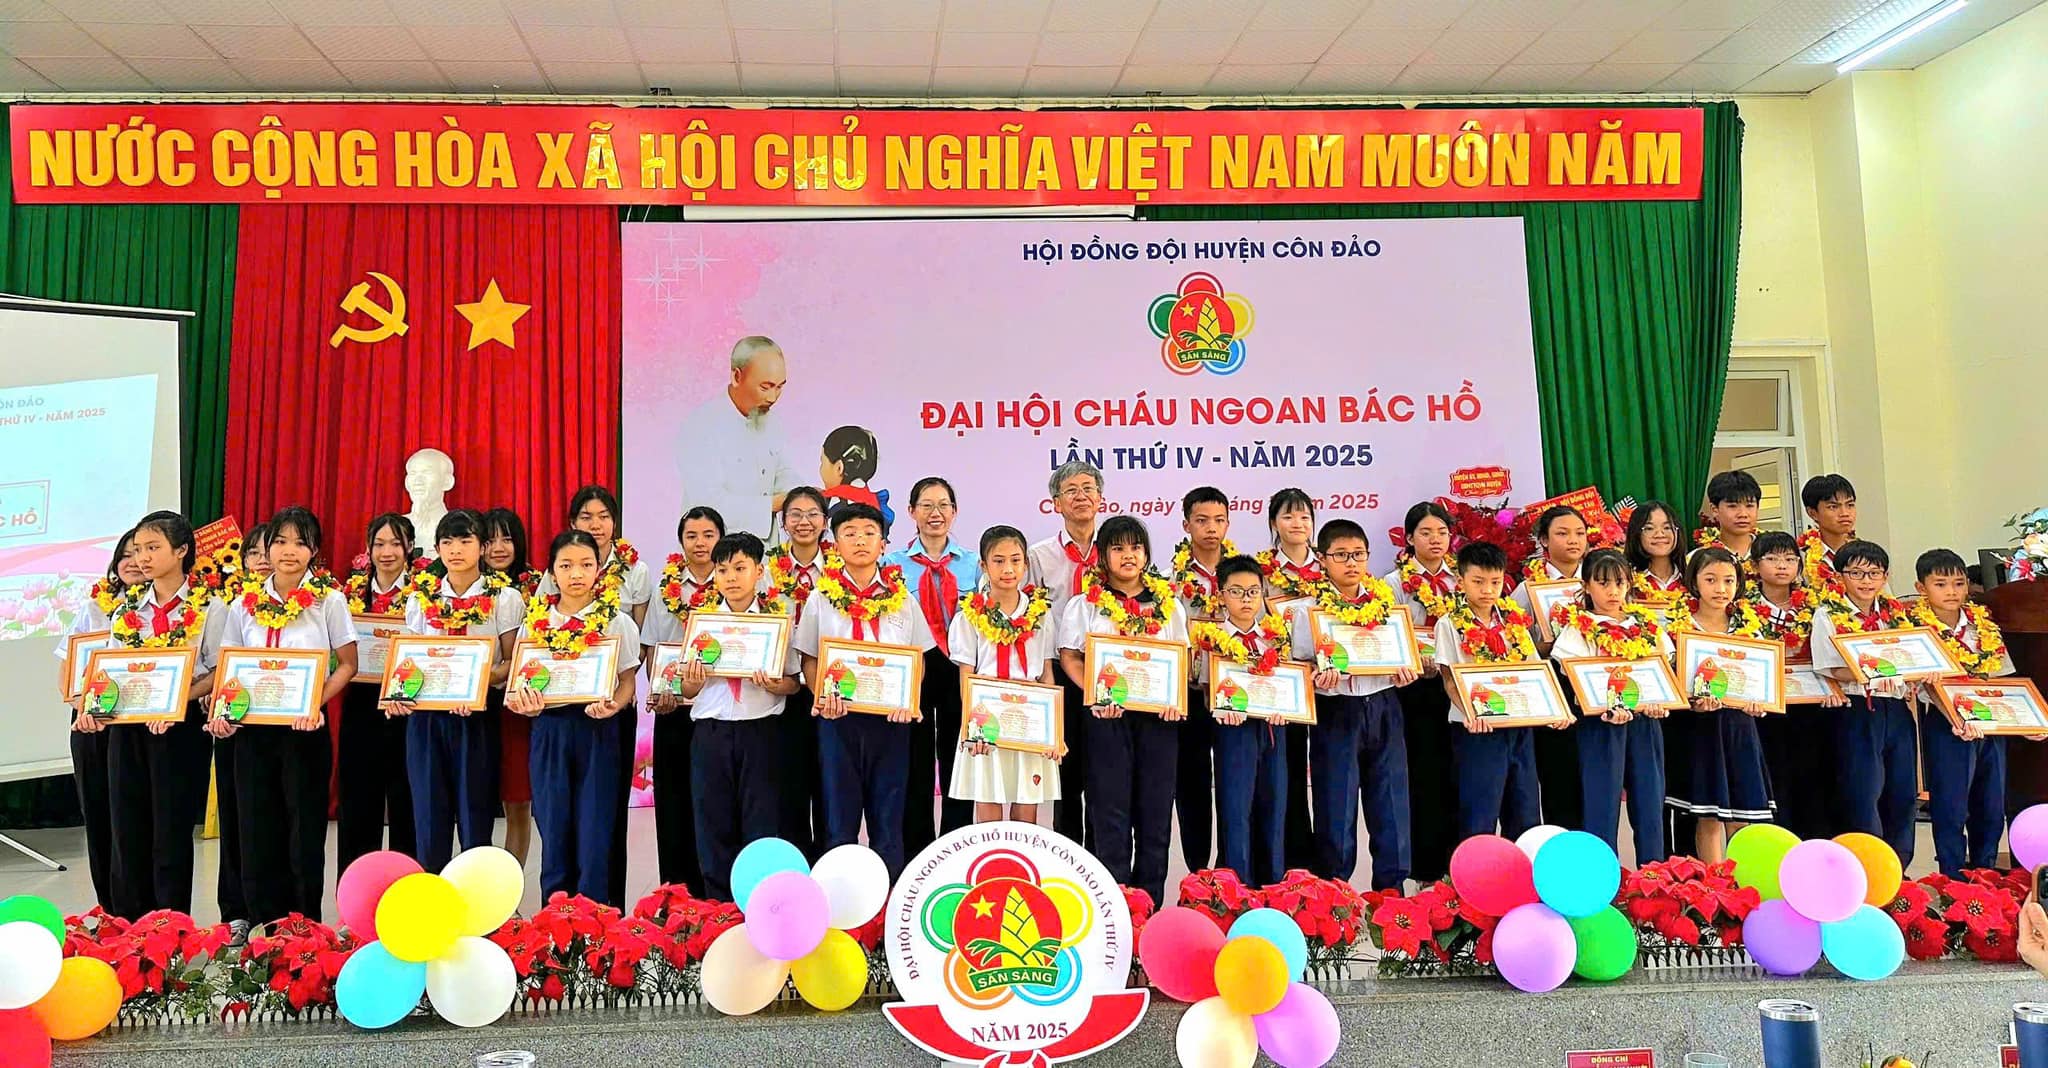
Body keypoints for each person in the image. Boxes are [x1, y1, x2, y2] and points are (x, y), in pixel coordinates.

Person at [208, 506, 357, 925]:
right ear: (267, 548)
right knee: (256, 828)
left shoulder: (329, 600)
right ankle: (264, 925)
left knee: (303, 830)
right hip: (252, 732)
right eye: (280, 541)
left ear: (314, 551)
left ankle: (304, 925)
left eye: (300, 542)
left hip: (303, 730)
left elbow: (347, 664)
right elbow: (230, 666)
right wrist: (224, 712)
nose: (289, 551)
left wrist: (314, 703)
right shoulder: (244, 603)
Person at [795, 502, 933, 879]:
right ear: (835, 544)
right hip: (838, 721)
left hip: (891, 723)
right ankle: (839, 902)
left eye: (869, 533)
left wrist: (908, 699)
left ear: (883, 543)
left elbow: (917, 657)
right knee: (838, 818)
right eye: (850, 533)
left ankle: (888, 904)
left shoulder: (902, 598)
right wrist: (821, 697)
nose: (860, 541)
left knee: (888, 818)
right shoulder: (821, 598)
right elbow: (809, 658)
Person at [102, 511, 229, 921]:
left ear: (181, 550)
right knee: (127, 825)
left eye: (153, 548)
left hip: (180, 728)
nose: (142, 557)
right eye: (138, 549)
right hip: (129, 726)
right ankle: (129, 926)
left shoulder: (210, 607)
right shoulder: (126, 607)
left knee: (170, 830)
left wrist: (178, 703)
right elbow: (113, 669)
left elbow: (218, 669)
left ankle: (170, 927)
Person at [508, 530, 644, 903]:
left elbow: (627, 681)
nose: (576, 574)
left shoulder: (617, 621)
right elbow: (519, 686)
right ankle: (555, 920)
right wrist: (524, 704)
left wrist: (614, 705)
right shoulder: (535, 622)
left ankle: (595, 921)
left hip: (598, 729)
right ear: (552, 572)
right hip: (550, 730)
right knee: (554, 829)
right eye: (566, 565)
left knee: (595, 831)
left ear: (599, 570)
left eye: (586, 564)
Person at [1058, 516, 1188, 907]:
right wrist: (1095, 695)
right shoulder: (1085, 605)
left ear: (1146, 554)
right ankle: (1112, 909)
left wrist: (1174, 699)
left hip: (1159, 721)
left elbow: (1181, 659)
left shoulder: (1169, 605)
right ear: (1103, 555)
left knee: (1155, 815)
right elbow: (1070, 657)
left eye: (1135, 547)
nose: (1128, 556)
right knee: (1108, 812)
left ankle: (1148, 907)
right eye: (1118, 548)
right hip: (1106, 718)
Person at [668, 532, 799, 901]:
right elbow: (687, 690)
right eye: (722, 570)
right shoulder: (702, 624)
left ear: (759, 571)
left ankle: (759, 904)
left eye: (740, 568)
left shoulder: (777, 623)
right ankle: (719, 909)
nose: (731, 578)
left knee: (762, 822)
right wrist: (693, 680)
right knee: (713, 823)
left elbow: (793, 683)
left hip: (762, 733)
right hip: (712, 733)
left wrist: (775, 684)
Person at [392, 509, 521, 873]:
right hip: (426, 719)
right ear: (437, 549)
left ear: (483, 547)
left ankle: (476, 900)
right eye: (447, 542)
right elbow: (410, 660)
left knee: (475, 814)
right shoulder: (421, 598)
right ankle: (434, 896)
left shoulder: (505, 597)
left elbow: (513, 661)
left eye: (466, 540)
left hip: (477, 716)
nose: (456, 549)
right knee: (429, 816)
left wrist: (478, 684)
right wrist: (399, 693)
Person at [1288, 519, 1413, 889]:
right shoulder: (1309, 610)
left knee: (1390, 801)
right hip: (1336, 710)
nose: (1351, 562)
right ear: (1322, 559)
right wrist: (1317, 675)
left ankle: (1391, 892)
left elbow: (1399, 652)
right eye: (1341, 555)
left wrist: (1403, 671)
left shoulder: (1385, 604)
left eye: (1358, 554)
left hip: (1384, 704)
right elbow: (1300, 665)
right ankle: (1334, 894)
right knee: (1335, 803)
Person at [552, 486, 652, 905]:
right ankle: (558, 912)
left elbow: (636, 654)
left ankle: (605, 910)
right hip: (557, 717)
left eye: (604, 515)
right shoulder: (542, 609)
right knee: (557, 822)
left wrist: (616, 696)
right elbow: (534, 663)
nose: (596, 523)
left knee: (602, 819)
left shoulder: (633, 578)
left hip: (608, 710)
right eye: (586, 516)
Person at [1912, 548, 2033, 876]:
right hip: (1947, 724)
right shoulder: (1916, 629)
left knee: (1991, 806)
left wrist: (2026, 723)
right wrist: (1957, 719)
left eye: (1958, 583)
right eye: (1940, 584)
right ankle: (1951, 880)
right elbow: (1926, 685)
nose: (1951, 592)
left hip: (1990, 722)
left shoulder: (1982, 624)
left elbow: (2005, 679)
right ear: (1922, 588)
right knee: (1951, 806)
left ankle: (1986, 876)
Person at [1548, 548, 1672, 862]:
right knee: (1600, 804)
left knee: (1650, 803)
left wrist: (1659, 703)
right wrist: (1604, 706)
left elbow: (1663, 673)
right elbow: (1573, 678)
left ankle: (1654, 877)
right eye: (1603, 583)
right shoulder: (1577, 629)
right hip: (1600, 726)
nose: (1613, 591)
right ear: (1586, 586)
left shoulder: (1645, 625)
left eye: (1620, 583)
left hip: (1644, 723)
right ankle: (1602, 879)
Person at [882, 477, 980, 852]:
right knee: (915, 759)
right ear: (911, 512)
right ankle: (917, 849)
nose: (935, 513)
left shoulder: (973, 563)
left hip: (959, 666)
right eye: (926, 505)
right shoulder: (891, 564)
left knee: (959, 754)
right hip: (913, 667)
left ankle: (956, 843)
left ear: (954, 512)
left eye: (943, 505)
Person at [1810, 540, 1919, 859]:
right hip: (1857, 709)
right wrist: (1867, 673)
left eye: (1874, 573)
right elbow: (1828, 666)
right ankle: (1866, 866)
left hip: (1896, 708)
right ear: (1840, 576)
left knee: (1902, 792)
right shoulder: (1828, 614)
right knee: (1862, 791)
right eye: (1856, 573)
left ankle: (1898, 866)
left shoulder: (1896, 615)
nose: (1866, 580)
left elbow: (1914, 658)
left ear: (1885, 576)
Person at [946, 525, 1059, 827]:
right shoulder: (968, 616)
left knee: (1027, 804)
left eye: (1015, 560)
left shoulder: (1041, 613)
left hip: (1030, 719)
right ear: (983, 565)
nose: (1008, 569)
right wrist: (973, 728)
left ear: (1025, 564)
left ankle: (1020, 858)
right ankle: (991, 857)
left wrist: (1053, 731)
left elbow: (1047, 673)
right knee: (988, 800)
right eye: (998, 561)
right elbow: (967, 676)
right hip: (986, 719)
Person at [1666, 547, 1773, 864]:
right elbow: (1672, 683)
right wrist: (1692, 703)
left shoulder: (1749, 628)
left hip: (1739, 727)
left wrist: (1760, 704)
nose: (1721, 588)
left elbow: (1762, 683)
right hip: (1701, 730)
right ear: (1694, 582)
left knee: (1742, 812)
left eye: (1728, 580)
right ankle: (1714, 883)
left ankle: (1741, 880)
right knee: (1709, 813)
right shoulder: (1678, 629)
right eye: (1710, 580)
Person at [58, 528, 145, 911]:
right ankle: (109, 911)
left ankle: (140, 909)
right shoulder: (95, 606)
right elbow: (68, 666)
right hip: (90, 725)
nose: (133, 562)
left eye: (142, 553)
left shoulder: (169, 608)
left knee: (133, 819)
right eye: (125, 554)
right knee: (98, 816)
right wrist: (81, 703)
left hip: (138, 725)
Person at [1435, 541, 1545, 843]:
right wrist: (1472, 713)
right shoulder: (1449, 624)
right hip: (1477, 729)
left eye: (1495, 582)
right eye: (1478, 581)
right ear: (1461, 581)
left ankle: (1522, 869)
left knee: (1524, 808)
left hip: (1518, 725)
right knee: (1479, 810)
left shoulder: (1514, 621)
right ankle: (1474, 872)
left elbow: (1535, 672)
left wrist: (1551, 711)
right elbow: (1449, 679)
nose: (1487, 590)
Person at [1194, 554, 1293, 885]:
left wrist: (1286, 706)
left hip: (1273, 729)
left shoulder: (1275, 637)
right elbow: (1206, 690)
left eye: (1253, 591)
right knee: (1236, 809)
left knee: (1274, 806)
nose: (1246, 599)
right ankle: (1237, 889)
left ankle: (1272, 886)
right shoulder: (1212, 639)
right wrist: (1221, 707)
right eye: (1236, 591)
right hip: (1232, 731)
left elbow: (1288, 684)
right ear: (1222, 595)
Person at [641, 505, 725, 893]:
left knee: (714, 804)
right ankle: (676, 895)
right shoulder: (665, 590)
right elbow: (652, 646)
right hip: (675, 710)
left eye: (708, 535)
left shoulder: (735, 583)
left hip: (719, 710)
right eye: (691, 536)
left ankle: (715, 896)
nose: (700, 543)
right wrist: (661, 692)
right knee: (674, 803)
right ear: (680, 542)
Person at [336, 513, 419, 877]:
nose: (387, 552)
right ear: (368, 549)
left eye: (395, 544)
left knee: (407, 803)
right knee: (358, 803)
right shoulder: (347, 595)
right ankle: (356, 890)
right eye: (379, 544)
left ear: (410, 547)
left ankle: (409, 889)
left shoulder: (425, 594)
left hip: (409, 708)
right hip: (361, 705)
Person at [1030, 459, 1106, 845]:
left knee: (1105, 769)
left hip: (1109, 672)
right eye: (1071, 491)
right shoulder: (1038, 556)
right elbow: (1028, 617)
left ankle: (1103, 853)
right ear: (1056, 503)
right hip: (1060, 672)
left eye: (1088, 489)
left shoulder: (1118, 550)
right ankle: (1069, 852)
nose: (1081, 497)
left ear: (1101, 498)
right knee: (1067, 770)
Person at [1748, 531, 1843, 841]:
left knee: (1814, 779)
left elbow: (1828, 655)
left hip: (1813, 705)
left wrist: (1832, 688)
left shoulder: (1817, 607)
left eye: (1790, 559)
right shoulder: (1741, 607)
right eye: (1772, 558)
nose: (1782, 565)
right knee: (1774, 780)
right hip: (1765, 709)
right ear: (1755, 565)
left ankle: (1816, 846)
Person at [1387, 500, 1456, 884]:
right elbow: (1386, 636)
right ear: (1410, 538)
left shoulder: (1462, 578)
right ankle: (1424, 870)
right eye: (1426, 533)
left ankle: (1455, 868)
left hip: (1454, 688)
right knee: (1420, 776)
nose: (1435, 540)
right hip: (1412, 691)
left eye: (1442, 532)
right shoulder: (1391, 584)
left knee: (1454, 776)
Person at [766, 487, 835, 857]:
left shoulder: (841, 567)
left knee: (828, 784)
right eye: (795, 514)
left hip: (831, 688)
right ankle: (795, 865)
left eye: (812, 514)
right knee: (788, 783)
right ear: (783, 521)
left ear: (825, 521)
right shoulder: (765, 569)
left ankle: (827, 864)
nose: (803, 522)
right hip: (782, 684)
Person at [674, 336, 798, 537]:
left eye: (779, 387)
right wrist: (774, 504)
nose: (773, 397)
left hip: (766, 548)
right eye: (765, 387)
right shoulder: (701, 425)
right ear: (737, 377)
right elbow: (708, 503)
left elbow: (784, 473)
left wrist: (803, 496)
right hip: (716, 546)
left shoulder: (772, 422)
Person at [1256, 487, 1321, 874]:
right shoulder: (1261, 572)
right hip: (1281, 687)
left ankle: (1322, 866)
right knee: (1287, 773)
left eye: (1304, 516)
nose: (1298, 524)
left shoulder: (1330, 567)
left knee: (1328, 776)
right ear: (1273, 523)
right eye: (1288, 516)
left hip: (1327, 684)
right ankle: (1286, 862)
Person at [1171, 486, 1234, 874]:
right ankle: (1198, 872)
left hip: (1233, 694)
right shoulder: (1170, 579)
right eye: (1201, 520)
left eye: (1219, 520)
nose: (1211, 528)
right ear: (1186, 525)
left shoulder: (1243, 574)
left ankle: (1230, 869)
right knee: (1191, 784)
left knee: (1234, 783)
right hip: (1190, 693)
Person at [1514, 504, 1588, 831]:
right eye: (1562, 533)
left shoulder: (1599, 579)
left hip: (1594, 690)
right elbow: (1515, 645)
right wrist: (1543, 647)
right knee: (1559, 778)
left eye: (1579, 533)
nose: (1573, 540)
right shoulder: (1528, 588)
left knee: (1593, 779)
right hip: (1552, 690)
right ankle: (1562, 848)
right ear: (1544, 539)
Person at [482, 507, 539, 865]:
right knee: (477, 798)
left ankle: (511, 883)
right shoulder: (464, 586)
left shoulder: (539, 587)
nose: (499, 548)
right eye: (490, 540)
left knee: (518, 801)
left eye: (507, 538)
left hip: (517, 709)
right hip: (474, 707)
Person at [1691, 471, 1763, 582]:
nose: (1743, 514)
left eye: (1749, 506)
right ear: (1714, 509)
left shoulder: (1773, 553)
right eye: (1732, 506)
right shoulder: (1697, 559)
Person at [818, 425, 892, 528]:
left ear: (839, 468)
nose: (821, 469)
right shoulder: (875, 502)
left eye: (822, 462)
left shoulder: (835, 503)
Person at [1626, 501, 1689, 617]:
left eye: (1667, 527)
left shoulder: (1692, 577)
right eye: (1649, 528)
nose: (1660, 534)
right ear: (1636, 534)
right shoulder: (1626, 579)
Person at [1798, 474, 1859, 593]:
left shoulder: (1865, 553)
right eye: (1833, 507)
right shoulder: (1800, 558)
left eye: (1850, 505)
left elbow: (1885, 598)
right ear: (1812, 513)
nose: (1845, 513)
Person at [401, 449, 455, 560]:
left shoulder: (459, 527)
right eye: (413, 473)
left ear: (447, 481)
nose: (418, 481)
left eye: (427, 473)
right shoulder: (395, 527)